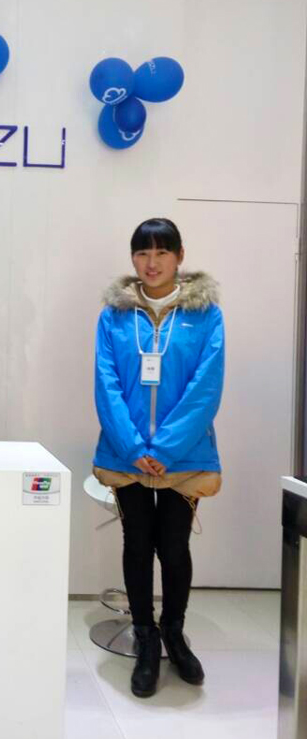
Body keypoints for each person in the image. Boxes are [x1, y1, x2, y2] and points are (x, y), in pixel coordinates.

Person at [92, 218, 224, 698]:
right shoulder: (114, 315)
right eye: (143, 253)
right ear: (132, 258)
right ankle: (145, 637)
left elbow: (206, 386)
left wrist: (165, 448)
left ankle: (174, 632)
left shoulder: (206, 314)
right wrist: (132, 447)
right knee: (137, 544)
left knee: (173, 545)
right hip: (125, 453)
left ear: (179, 256)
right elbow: (106, 383)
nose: (152, 263)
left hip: (183, 457)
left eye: (162, 253)